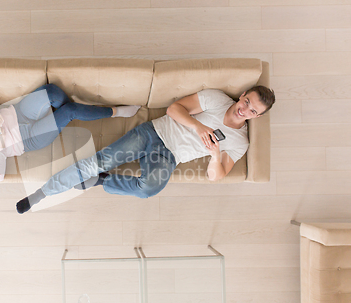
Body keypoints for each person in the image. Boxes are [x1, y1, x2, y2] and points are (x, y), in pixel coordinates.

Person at [16, 86, 275, 213]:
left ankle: (103, 182)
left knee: (149, 189)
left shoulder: (240, 142)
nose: (245, 109)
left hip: (169, 156)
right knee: (96, 161)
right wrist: (198, 127)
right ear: (242, 95)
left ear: (257, 117)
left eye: (253, 111)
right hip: (153, 132)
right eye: (247, 101)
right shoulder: (217, 99)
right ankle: (42, 193)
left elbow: (215, 176)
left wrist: (216, 154)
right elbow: (174, 109)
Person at [0, 84, 141, 182]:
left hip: (16, 112)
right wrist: (1, 151)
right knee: (70, 110)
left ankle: (76, 112)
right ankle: (115, 112)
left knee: (53, 92)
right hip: (27, 138)